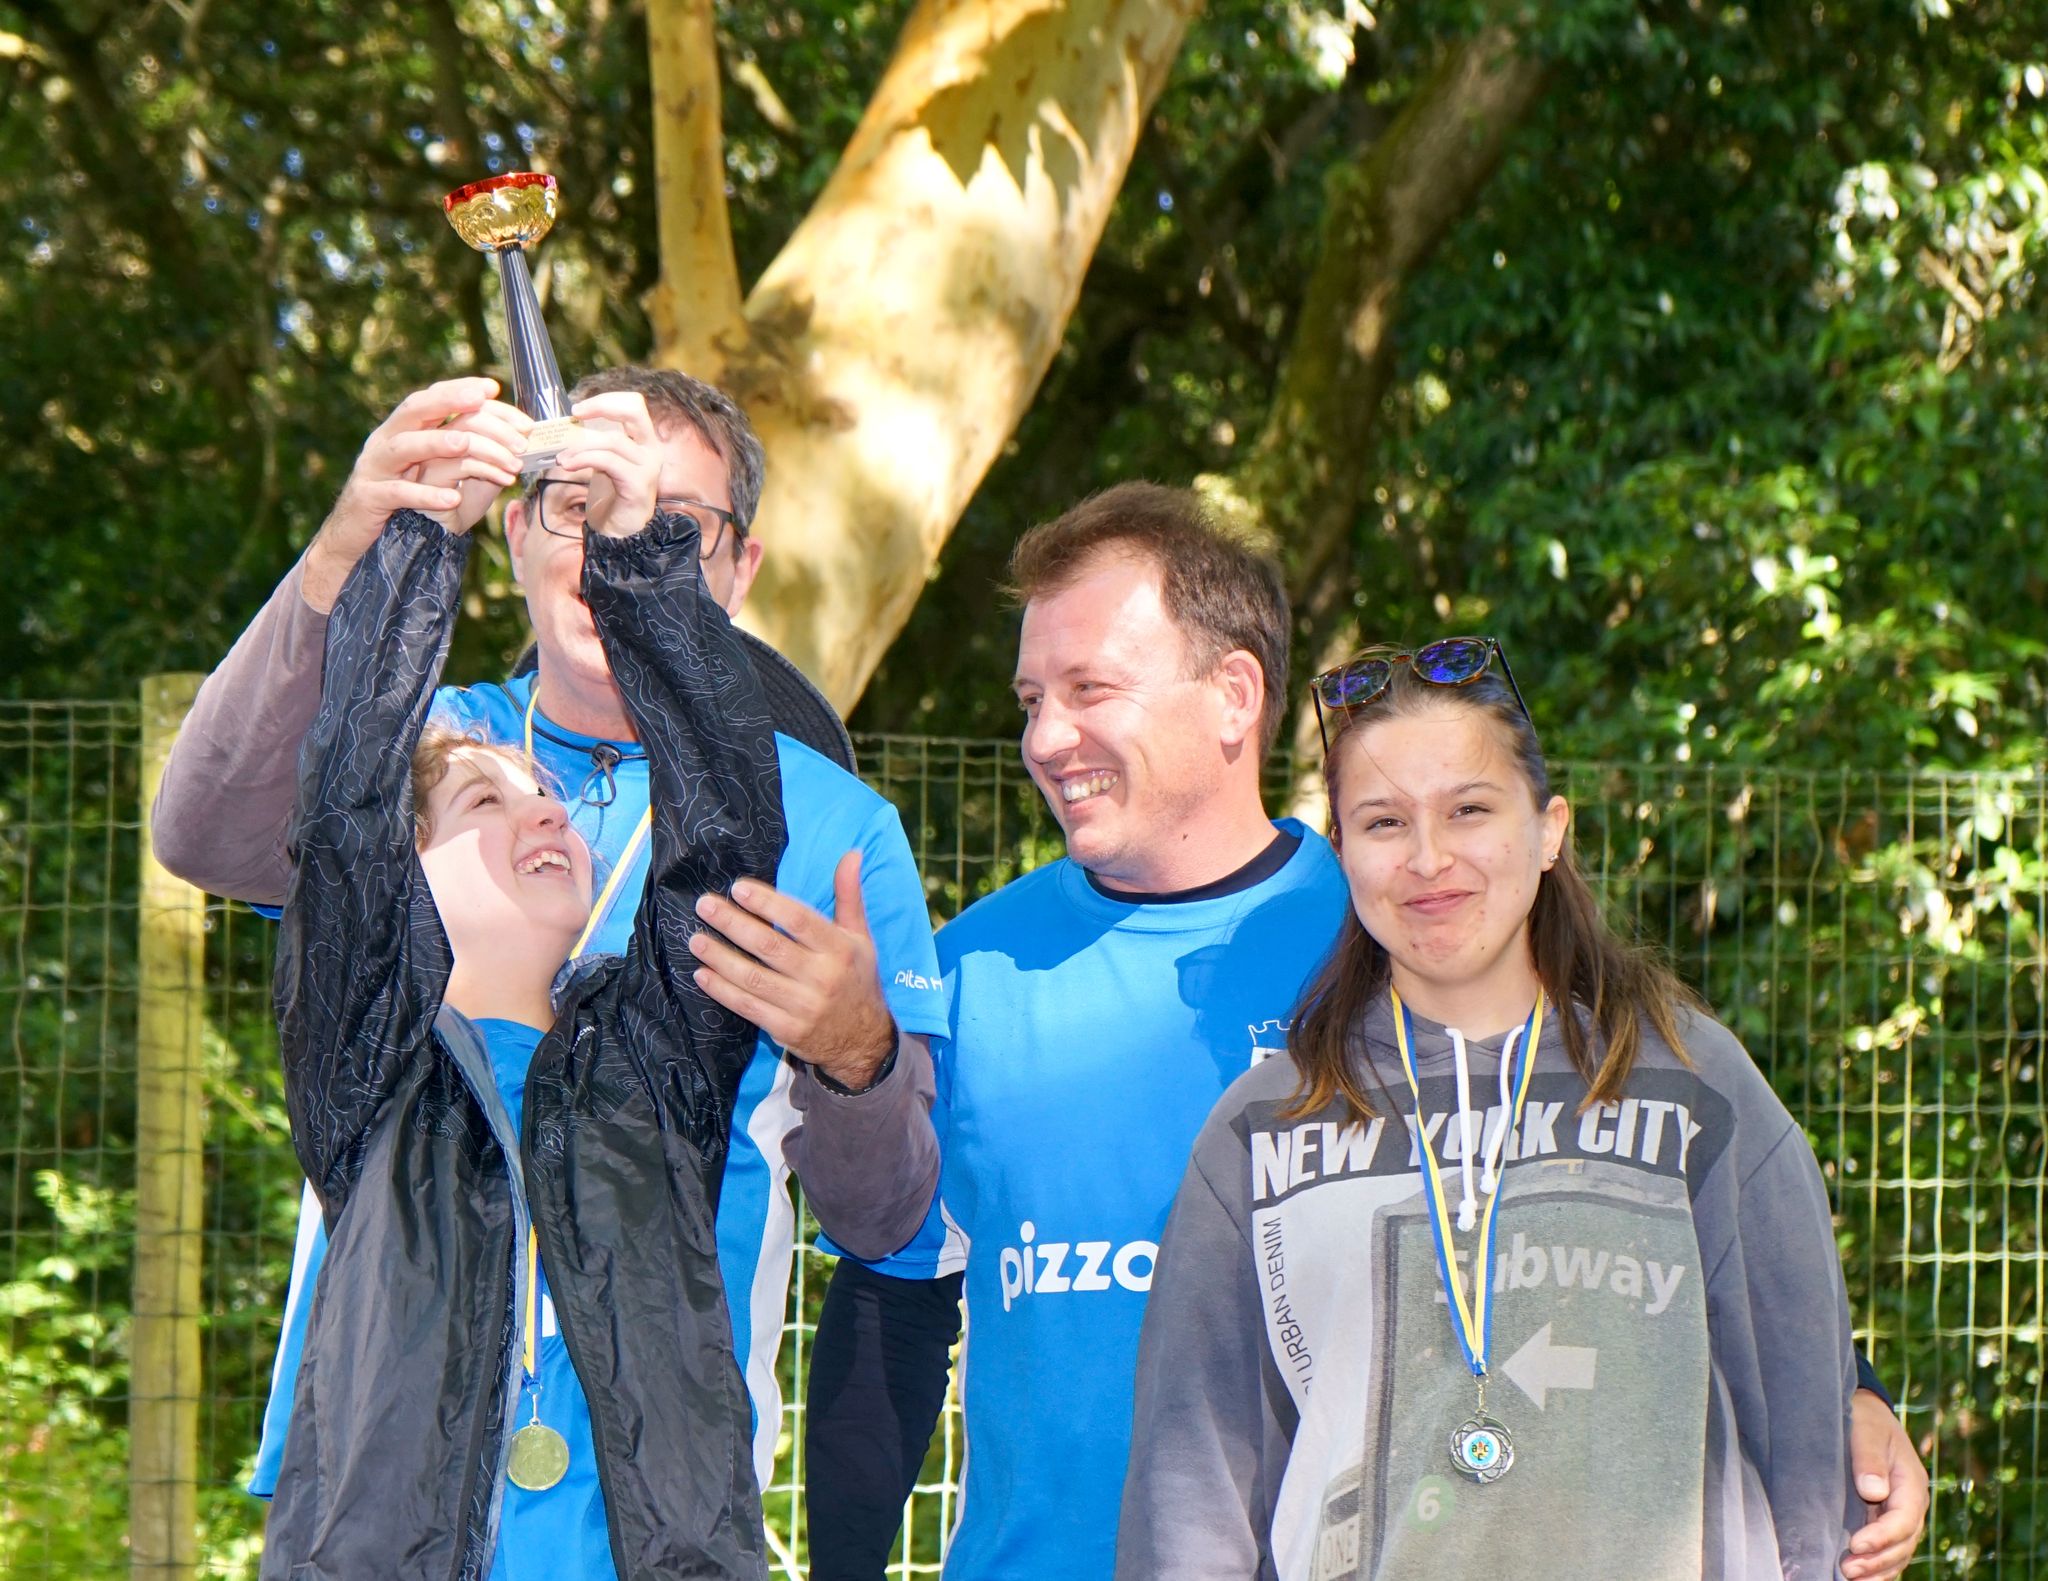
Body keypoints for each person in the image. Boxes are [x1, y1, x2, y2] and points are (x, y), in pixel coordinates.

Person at [803, 485, 1929, 1581]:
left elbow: (1665, 1171)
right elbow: (893, 1292)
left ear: (1234, 694)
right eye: (1028, 698)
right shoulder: (970, 968)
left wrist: (1849, 1393)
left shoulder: (1408, 921)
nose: (1046, 736)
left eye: (1090, 687)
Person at [150, 372, 948, 1493]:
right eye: (582, 507)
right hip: (381, 1470)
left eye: (669, 526)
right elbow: (205, 836)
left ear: (739, 570)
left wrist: (859, 1058)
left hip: (654, 1493)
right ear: (519, 529)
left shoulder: (834, 827)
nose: (612, 547)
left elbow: (890, 1223)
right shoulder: (425, 747)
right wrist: (343, 555)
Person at [1119, 638, 1858, 1578]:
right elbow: (1191, 1504)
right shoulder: (1262, 1127)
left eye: (1470, 809)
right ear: (1341, 850)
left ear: (1549, 830)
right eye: (1384, 823)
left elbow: (1805, 1434)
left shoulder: (1694, 1085)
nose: (1429, 859)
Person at [266, 401, 779, 1578]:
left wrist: (645, 561)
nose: (541, 807)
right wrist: (419, 538)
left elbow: (725, 823)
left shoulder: (653, 1064)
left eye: (544, 801)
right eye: (484, 803)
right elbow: (343, 813)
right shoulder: (371, 1070)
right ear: (404, 879)